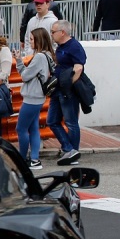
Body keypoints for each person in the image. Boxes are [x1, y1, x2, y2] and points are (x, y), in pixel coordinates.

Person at [48, 20, 87, 166]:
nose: (51, 34)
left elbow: (78, 68)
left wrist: (68, 85)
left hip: (67, 90)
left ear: (62, 32)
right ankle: (68, 149)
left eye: (53, 32)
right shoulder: (60, 47)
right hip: (57, 89)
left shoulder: (74, 46)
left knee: (71, 122)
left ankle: (73, 151)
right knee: (52, 121)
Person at [16, 28, 55, 170]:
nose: (30, 42)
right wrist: (20, 62)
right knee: (33, 128)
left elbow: (25, 76)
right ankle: (34, 160)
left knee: (21, 128)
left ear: (39, 40)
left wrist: (19, 62)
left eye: (32, 39)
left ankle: (22, 158)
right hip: (39, 96)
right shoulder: (47, 55)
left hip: (32, 97)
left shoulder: (38, 57)